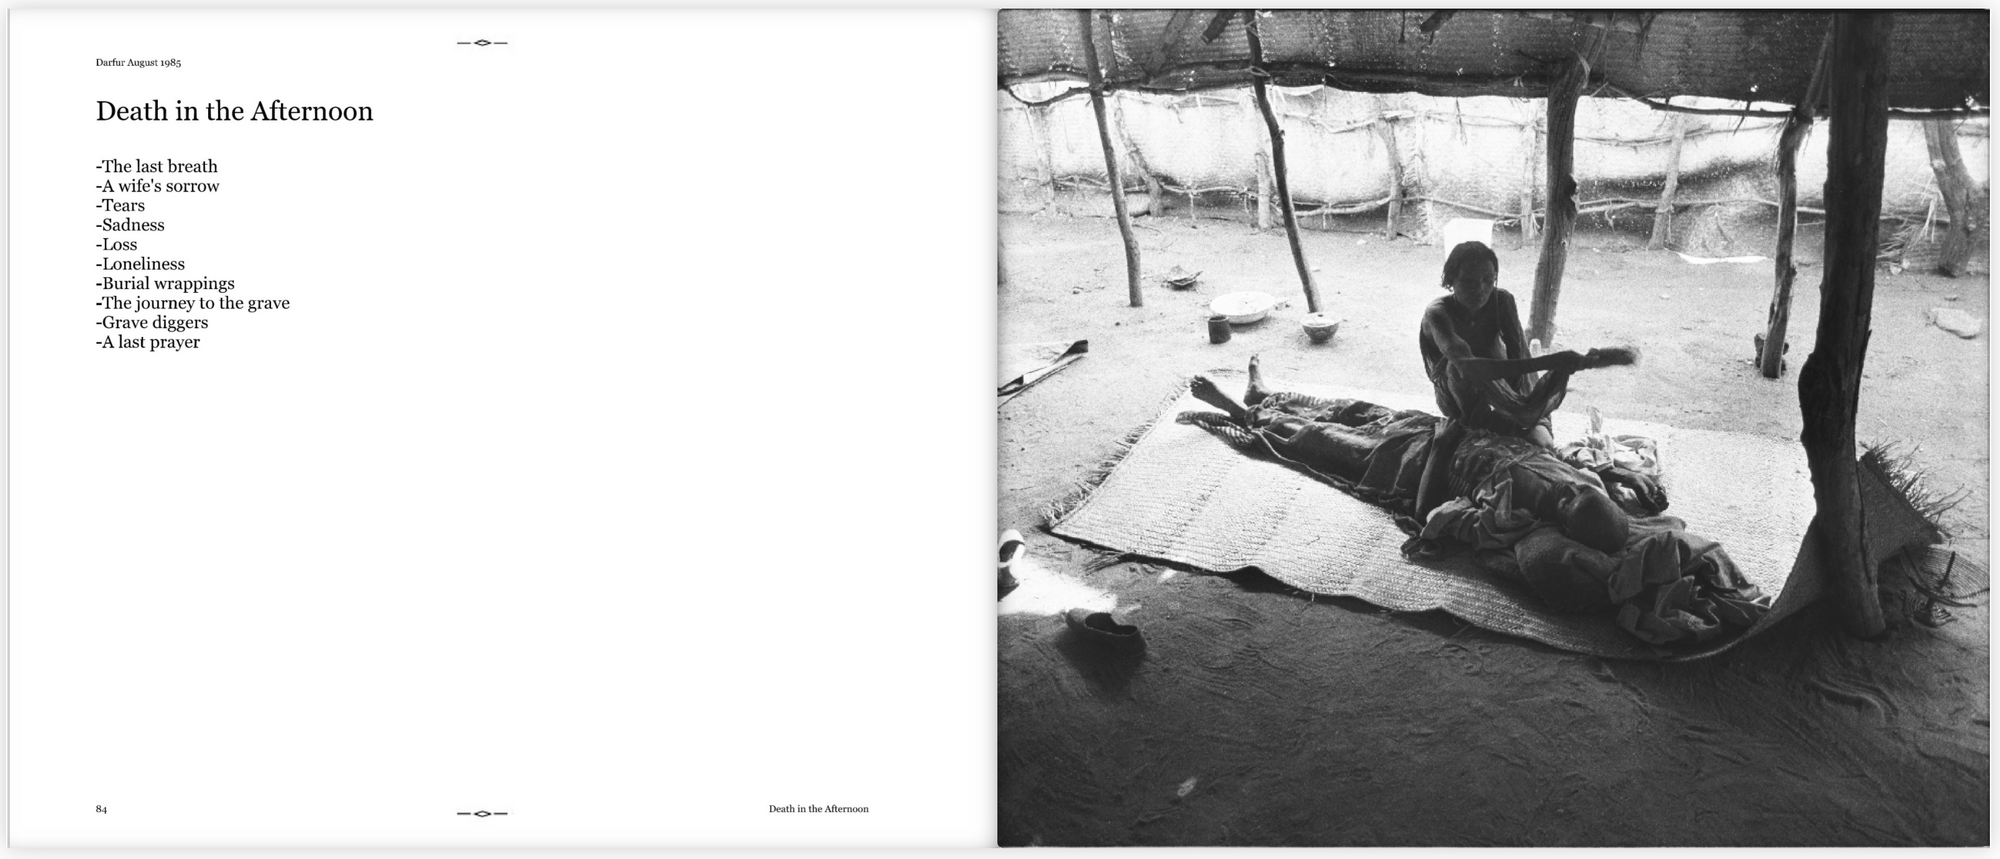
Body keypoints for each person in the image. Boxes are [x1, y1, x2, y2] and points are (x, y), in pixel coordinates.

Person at [1180, 358, 1763, 646]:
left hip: (1415, 462)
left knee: (1324, 442)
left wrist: (1441, 448)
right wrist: (1609, 473)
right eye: (1576, 489)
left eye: (1567, 502)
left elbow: (1426, 517)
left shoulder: (1516, 518)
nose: (1567, 489)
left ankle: (1240, 411)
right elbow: (1579, 469)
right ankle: (1269, 395)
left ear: (1562, 521)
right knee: (1358, 410)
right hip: (1445, 432)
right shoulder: (1576, 481)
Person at [1420, 240, 1604, 448]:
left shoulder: (1501, 301)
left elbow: (1518, 359)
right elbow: (1466, 366)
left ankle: (1500, 425)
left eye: (1488, 280)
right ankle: (1473, 426)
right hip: (1460, 397)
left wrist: (1515, 407)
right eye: (1469, 281)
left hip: (1507, 391)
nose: (1480, 289)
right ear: (1451, 280)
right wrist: (1551, 362)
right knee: (1456, 369)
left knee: (1542, 443)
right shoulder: (1438, 314)